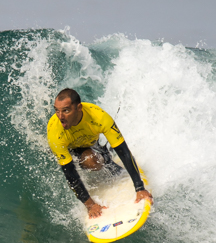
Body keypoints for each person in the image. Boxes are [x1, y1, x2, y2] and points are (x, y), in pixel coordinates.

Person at [47, 88, 153, 218]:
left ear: (79, 108)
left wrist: (139, 188)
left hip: (90, 143)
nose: (60, 116)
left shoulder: (98, 117)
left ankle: (107, 160)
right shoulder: (55, 132)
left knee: (95, 159)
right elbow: (69, 173)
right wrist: (90, 204)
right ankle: (103, 160)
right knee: (85, 161)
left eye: (66, 110)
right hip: (70, 149)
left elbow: (123, 151)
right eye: (57, 111)